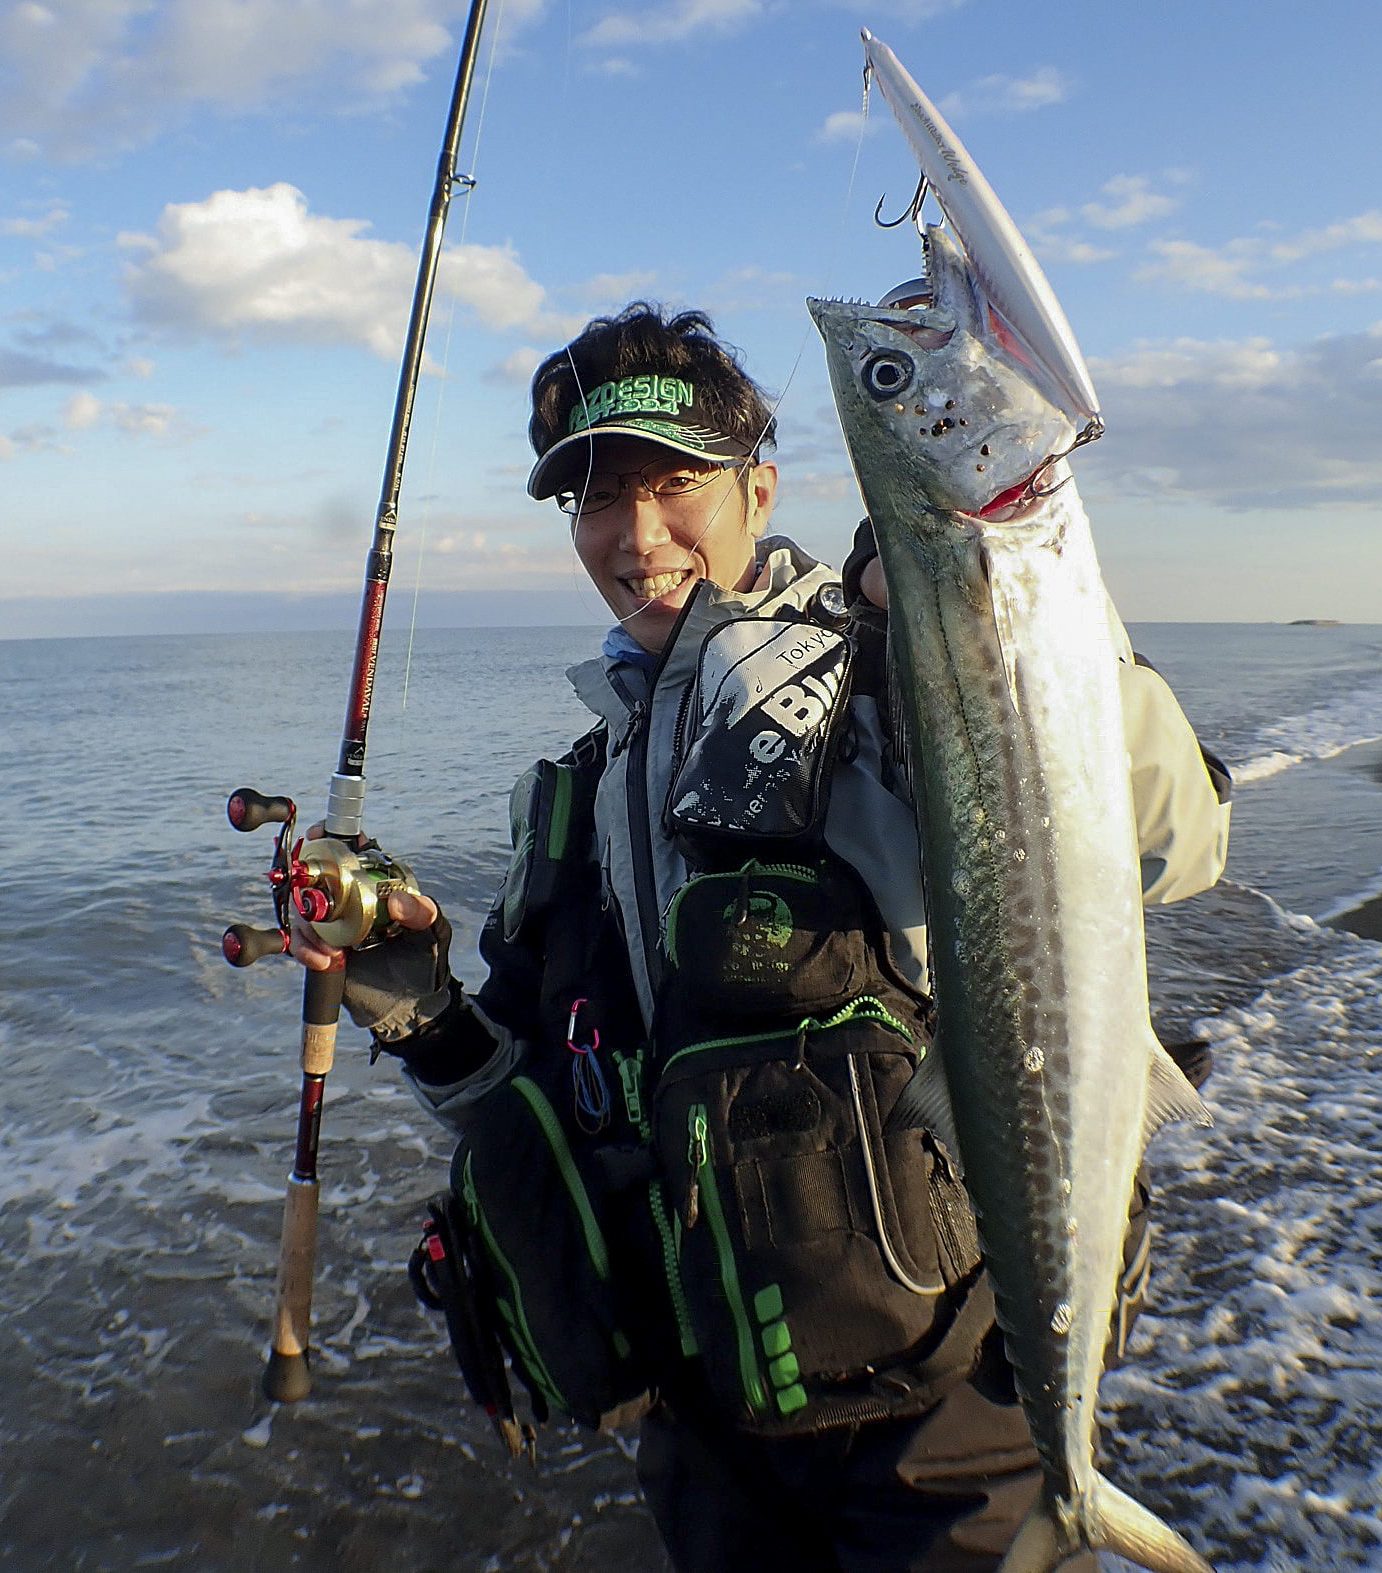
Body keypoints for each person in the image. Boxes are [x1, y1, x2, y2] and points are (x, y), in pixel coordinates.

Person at [292, 302, 1232, 1572]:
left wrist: (986, 618)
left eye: (675, 484)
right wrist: (419, 1005)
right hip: (709, 1423)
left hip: (948, 1406)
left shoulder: (882, 663)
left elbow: (1173, 841)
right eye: (596, 500)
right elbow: (543, 1090)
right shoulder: (575, 785)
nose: (635, 536)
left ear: (760, 487)